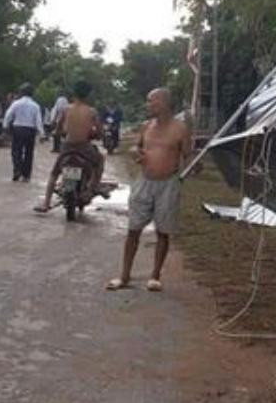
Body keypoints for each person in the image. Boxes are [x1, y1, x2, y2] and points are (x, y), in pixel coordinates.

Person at [106, 88, 192, 292]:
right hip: (144, 181)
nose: (148, 105)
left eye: (151, 101)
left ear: (164, 103)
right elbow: (136, 147)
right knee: (133, 230)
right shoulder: (146, 126)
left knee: (163, 231)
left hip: (168, 184)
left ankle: (155, 275)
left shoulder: (180, 129)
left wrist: (192, 167)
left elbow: (189, 157)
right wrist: (136, 153)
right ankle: (124, 276)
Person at [35, 81, 103, 213]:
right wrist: (95, 135)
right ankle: (90, 190)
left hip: (67, 147)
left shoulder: (66, 109)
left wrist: (61, 133)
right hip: (84, 148)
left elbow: (58, 129)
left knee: (54, 174)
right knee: (100, 162)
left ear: (74, 94)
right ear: (88, 95)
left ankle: (46, 203)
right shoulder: (92, 111)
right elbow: (100, 132)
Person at [3, 83, 43, 182]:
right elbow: (38, 121)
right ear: (32, 94)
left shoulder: (16, 103)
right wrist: (42, 133)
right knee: (29, 153)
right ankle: (26, 175)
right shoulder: (35, 106)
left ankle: (17, 171)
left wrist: (5, 126)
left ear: (21, 92)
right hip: (30, 130)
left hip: (18, 129)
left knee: (16, 151)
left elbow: (8, 115)